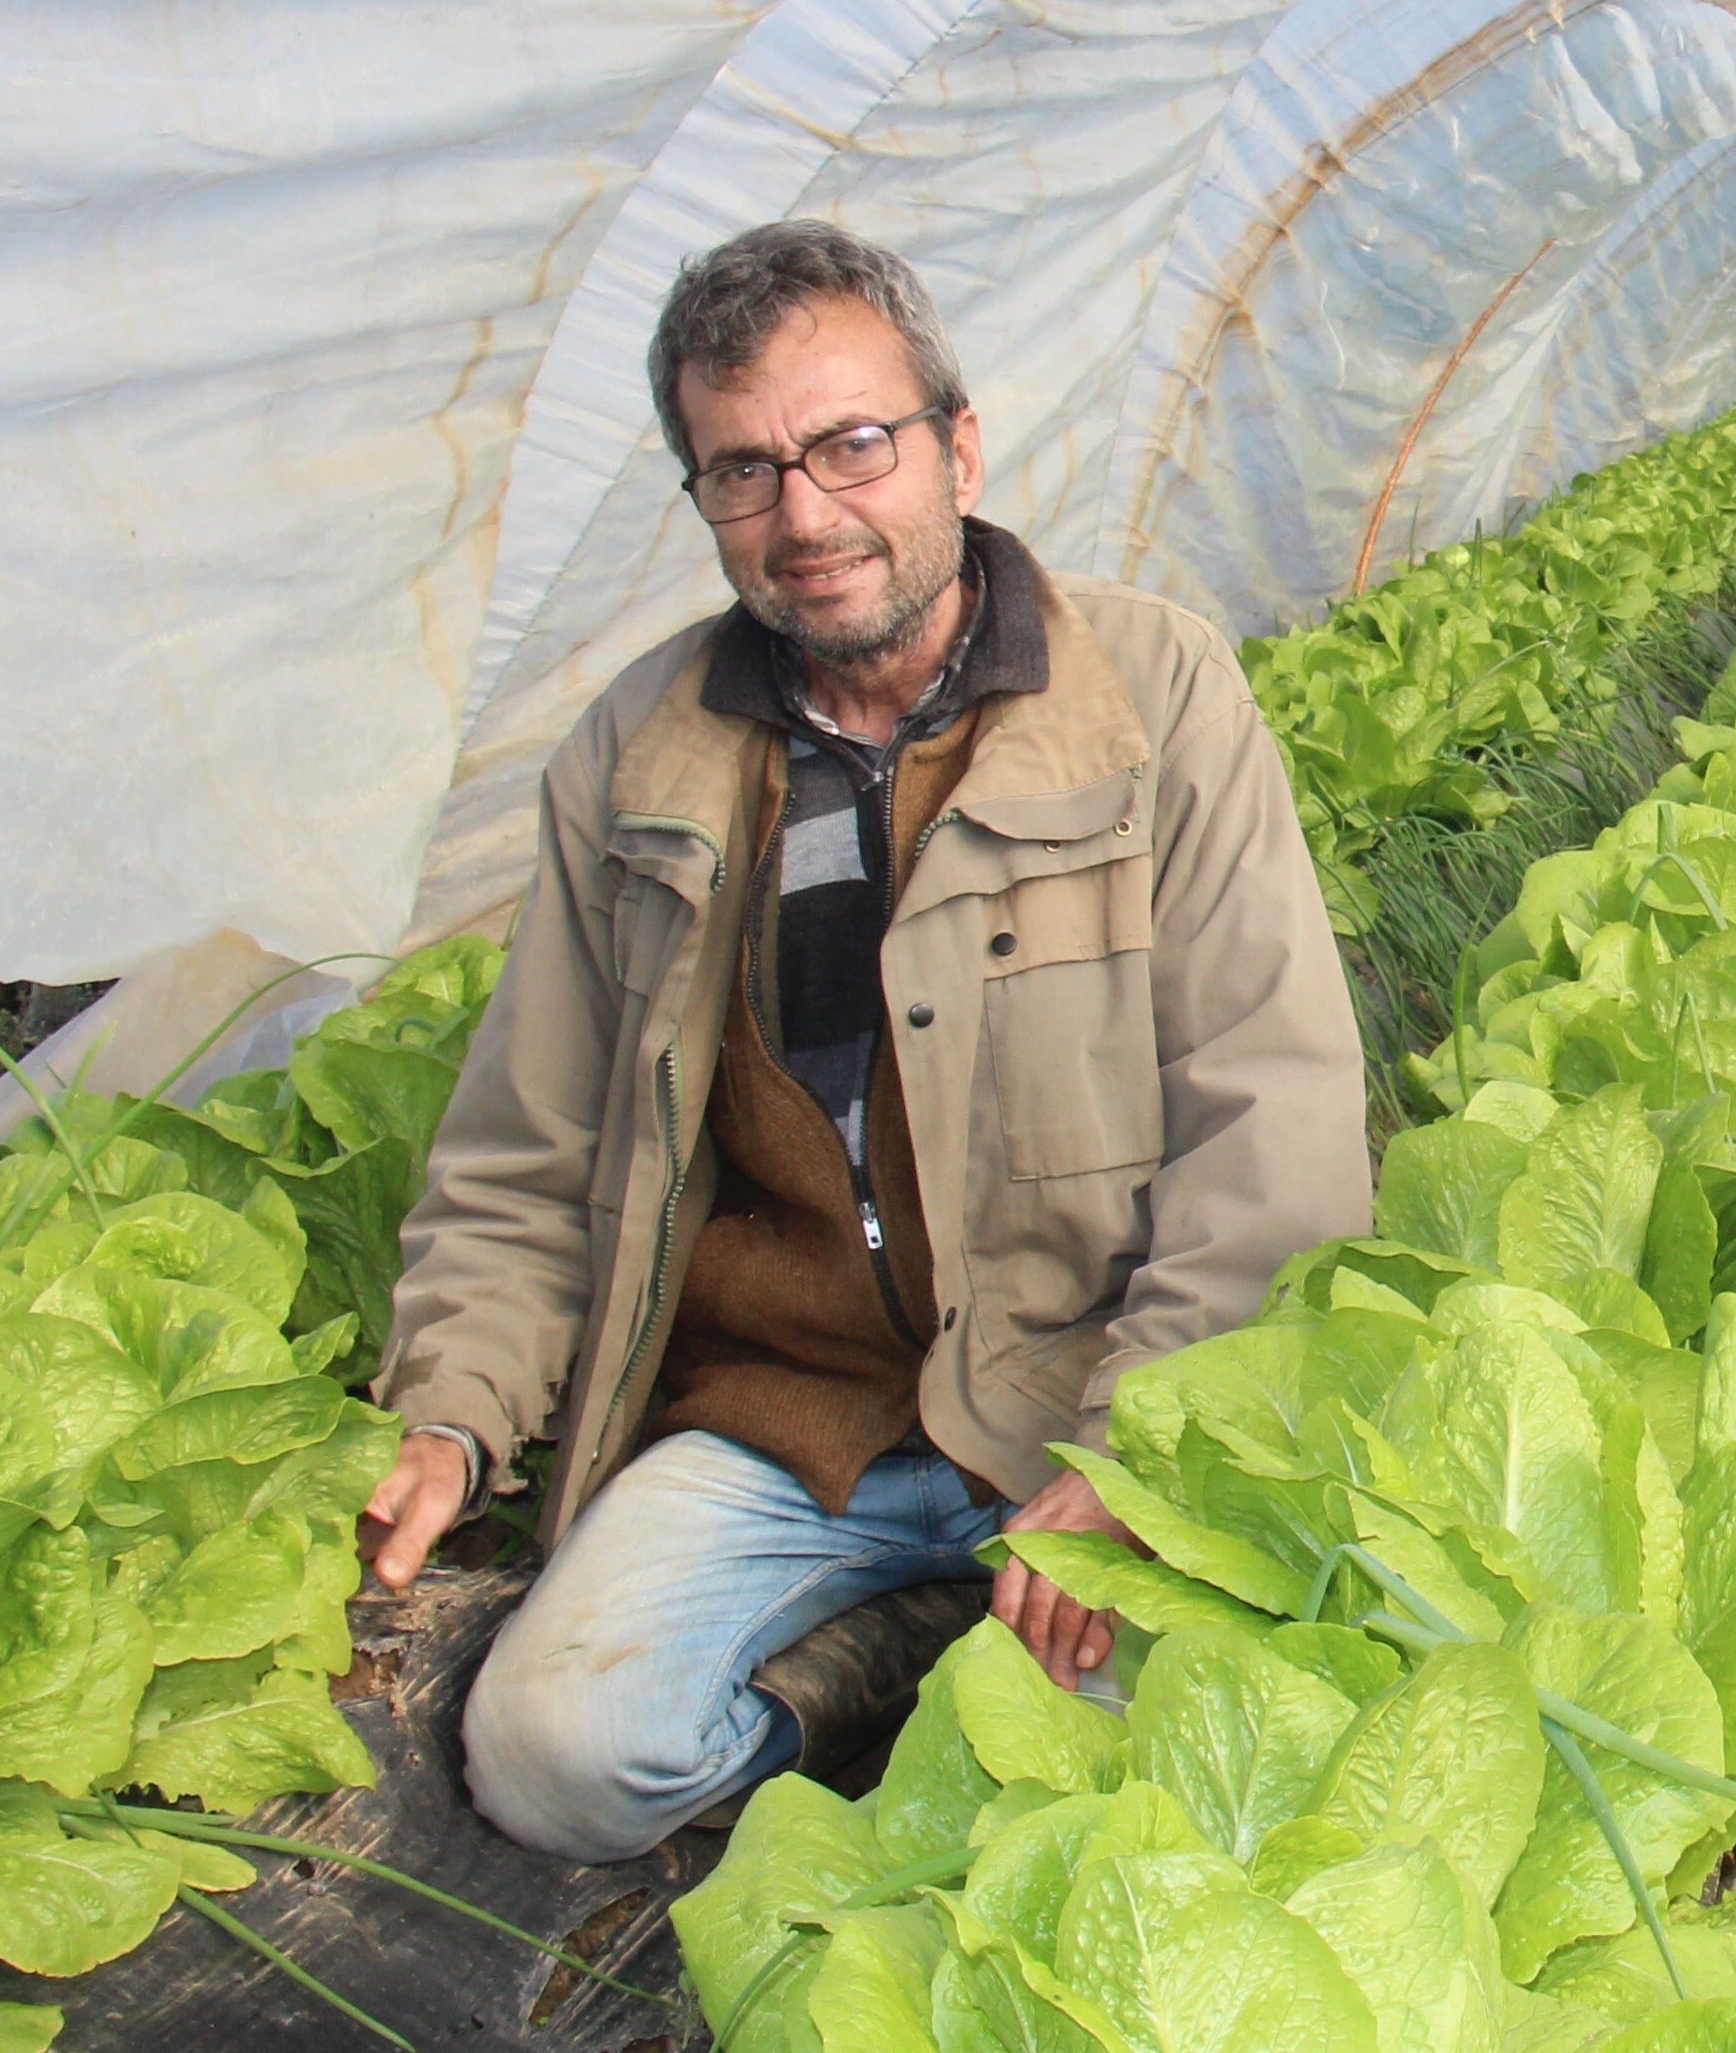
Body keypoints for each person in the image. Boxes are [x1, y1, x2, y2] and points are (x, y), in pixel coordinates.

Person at [353, 220, 1367, 1861]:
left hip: (1074, 1386)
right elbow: (524, 1155)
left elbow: (1277, 1129)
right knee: (556, 1757)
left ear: (957, 448)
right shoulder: (638, 758)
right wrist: (452, 1414)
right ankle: (876, 1666)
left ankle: (959, 1657)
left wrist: (1137, 1459)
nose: (805, 516)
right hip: (786, 1415)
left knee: (1141, 1792)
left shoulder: (1154, 693)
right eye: (742, 471)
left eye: (851, 446)